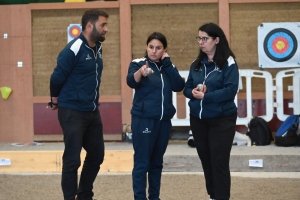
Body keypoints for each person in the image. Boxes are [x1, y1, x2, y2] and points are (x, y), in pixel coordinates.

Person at [49, 9, 109, 200]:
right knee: (72, 159)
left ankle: (84, 195)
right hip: (72, 111)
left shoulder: (97, 47)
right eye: (103, 25)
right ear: (89, 26)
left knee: (97, 155)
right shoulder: (73, 49)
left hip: (92, 112)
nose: (106, 29)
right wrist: (54, 98)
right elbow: (56, 77)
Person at [183, 23, 239, 200]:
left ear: (216, 40)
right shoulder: (196, 64)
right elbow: (186, 88)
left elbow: (230, 90)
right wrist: (191, 92)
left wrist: (207, 96)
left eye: (205, 38)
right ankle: (213, 196)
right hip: (198, 120)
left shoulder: (228, 63)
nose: (201, 42)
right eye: (199, 38)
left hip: (222, 120)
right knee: (206, 161)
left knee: (219, 162)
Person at [127, 32, 185, 200]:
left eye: (158, 48)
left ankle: (154, 197)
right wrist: (140, 73)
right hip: (143, 119)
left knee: (156, 163)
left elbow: (178, 85)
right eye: (151, 47)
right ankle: (139, 197)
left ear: (164, 50)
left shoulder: (168, 67)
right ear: (147, 47)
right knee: (142, 162)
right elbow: (131, 81)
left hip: (163, 122)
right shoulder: (138, 63)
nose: (154, 51)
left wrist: (167, 63)